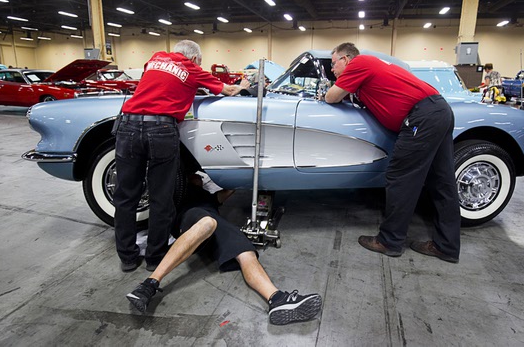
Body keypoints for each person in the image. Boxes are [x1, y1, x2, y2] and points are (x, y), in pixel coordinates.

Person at [113, 40, 250, 273]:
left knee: (125, 197)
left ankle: (127, 258)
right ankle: (155, 259)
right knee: (161, 198)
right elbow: (229, 91)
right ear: (195, 59)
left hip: (127, 126)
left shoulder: (155, 58)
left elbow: (160, 82)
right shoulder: (193, 69)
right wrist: (244, 83)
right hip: (161, 130)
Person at [324, 42, 460, 263]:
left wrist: (330, 92)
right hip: (438, 110)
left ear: (346, 59)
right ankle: (447, 246)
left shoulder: (359, 63)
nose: (332, 69)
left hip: (420, 118)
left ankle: (390, 241)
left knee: (401, 178)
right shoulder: (371, 68)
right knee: (442, 182)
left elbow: (331, 97)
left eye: (333, 63)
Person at [126, 172, 323, 325]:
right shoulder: (179, 192)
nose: (197, 177)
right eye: (194, 174)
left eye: (200, 175)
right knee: (207, 223)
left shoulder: (209, 196)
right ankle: (148, 285)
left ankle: (277, 299)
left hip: (219, 225)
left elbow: (230, 188)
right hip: (191, 220)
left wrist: (240, 172)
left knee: (246, 253)